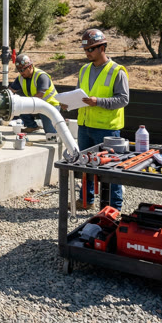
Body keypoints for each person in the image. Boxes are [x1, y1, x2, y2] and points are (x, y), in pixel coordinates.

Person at [61, 29, 129, 210]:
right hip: (85, 126)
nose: (87, 53)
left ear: (102, 48)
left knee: (112, 170)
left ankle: (114, 208)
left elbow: (123, 99)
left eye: (91, 49)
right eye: (86, 50)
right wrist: (69, 104)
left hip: (107, 130)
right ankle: (86, 201)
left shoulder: (116, 71)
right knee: (85, 168)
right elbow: (79, 95)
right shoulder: (84, 70)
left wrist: (97, 102)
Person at [7, 53, 60, 134]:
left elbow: (39, 96)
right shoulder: (21, 78)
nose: (21, 72)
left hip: (50, 106)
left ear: (30, 66)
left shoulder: (41, 76)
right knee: (18, 105)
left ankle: (56, 131)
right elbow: (11, 90)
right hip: (36, 104)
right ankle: (32, 126)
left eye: (23, 69)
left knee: (50, 133)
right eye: (19, 70)